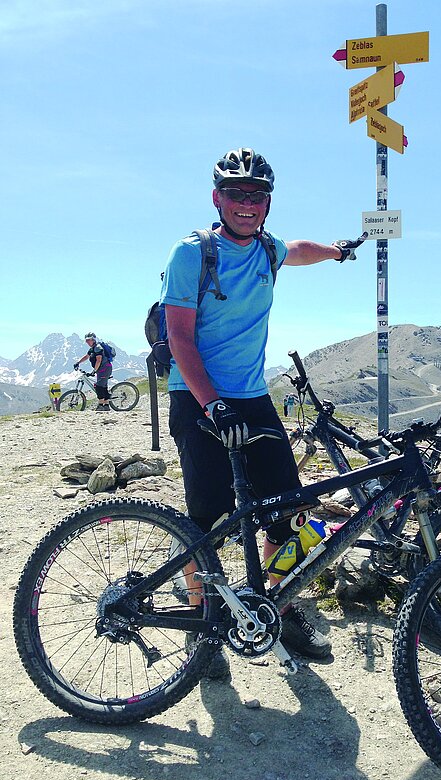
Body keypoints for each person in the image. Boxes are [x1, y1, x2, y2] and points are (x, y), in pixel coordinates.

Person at [161, 147, 364, 676]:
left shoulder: (267, 250)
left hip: (253, 399)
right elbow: (179, 335)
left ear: (267, 203)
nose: (246, 203)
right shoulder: (192, 255)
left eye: (257, 195)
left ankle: (281, 605)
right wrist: (212, 404)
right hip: (197, 395)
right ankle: (203, 624)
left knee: (288, 511)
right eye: (236, 193)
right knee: (205, 519)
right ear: (217, 198)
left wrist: (339, 251)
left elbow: (298, 249)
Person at [74, 333, 113, 412]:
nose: (87, 342)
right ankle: (106, 405)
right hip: (101, 370)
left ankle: (101, 405)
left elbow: (98, 360)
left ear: (93, 340)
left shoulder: (98, 348)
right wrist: (78, 362)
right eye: (86, 341)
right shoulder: (92, 348)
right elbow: (86, 356)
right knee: (103, 386)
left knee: (98, 386)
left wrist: (94, 371)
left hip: (105, 369)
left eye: (88, 340)